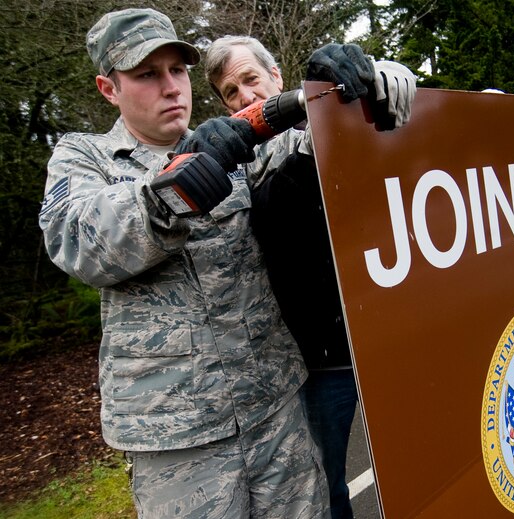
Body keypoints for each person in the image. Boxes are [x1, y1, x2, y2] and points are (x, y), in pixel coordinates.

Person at [38, 8, 393, 518]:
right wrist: (169, 192)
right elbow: (76, 241)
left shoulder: (231, 143)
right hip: (180, 439)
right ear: (108, 88)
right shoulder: (85, 157)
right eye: (146, 75)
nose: (171, 87)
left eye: (177, 71)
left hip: (276, 410)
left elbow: (323, 148)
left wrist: (335, 90)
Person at [203, 35, 416, 519]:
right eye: (230, 93)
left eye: (250, 80)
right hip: (319, 364)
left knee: (427, 460)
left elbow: (413, 143)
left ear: (276, 77)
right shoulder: (233, 165)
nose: (244, 98)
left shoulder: (337, 117)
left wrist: (386, 80)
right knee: (326, 483)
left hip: (395, 339)